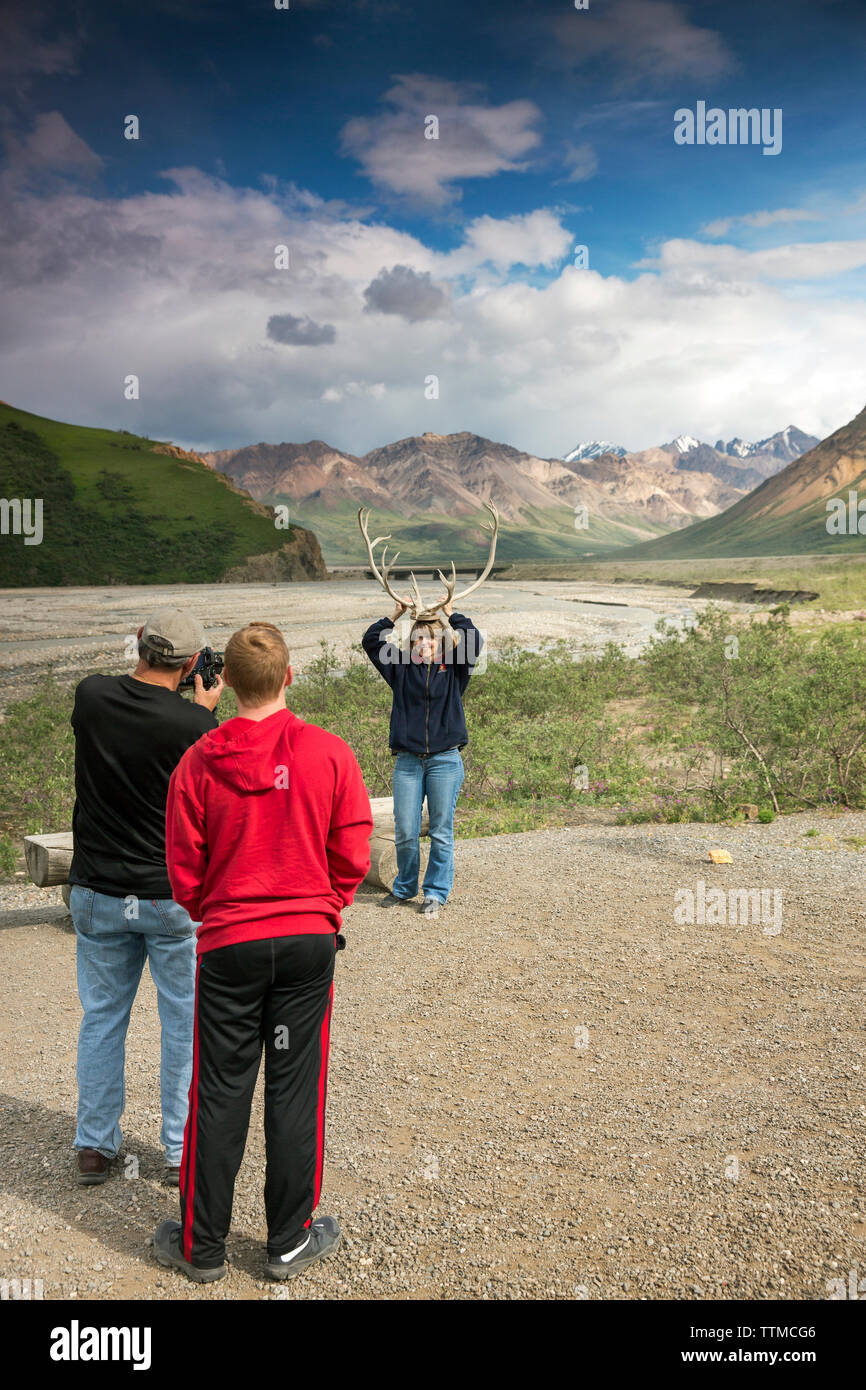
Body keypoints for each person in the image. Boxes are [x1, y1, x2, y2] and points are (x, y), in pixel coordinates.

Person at [153, 621, 372, 1284]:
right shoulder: (328, 753)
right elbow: (353, 849)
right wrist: (324, 904)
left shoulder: (197, 763)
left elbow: (183, 866)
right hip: (307, 941)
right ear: (287, 678)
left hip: (229, 944)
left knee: (219, 1090)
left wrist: (214, 913)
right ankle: (286, 1241)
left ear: (225, 684)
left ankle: (202, 1246)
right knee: (295, 1089)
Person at [68, 607, 222, 1187]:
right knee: (182, 1021)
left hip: (97, 891)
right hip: (167, 895)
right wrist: (199, 709)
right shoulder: (194, 726)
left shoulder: (90, 696)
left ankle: (94, 1146)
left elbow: (122, 700)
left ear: (137, 644)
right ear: (190, 665)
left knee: (103, 1017)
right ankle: (182, 1149)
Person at [361, 596, 483, 919]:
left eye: (428, 639)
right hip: (408, 763)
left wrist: (451, 613)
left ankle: (436, 893)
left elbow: (474, 638)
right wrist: (396, 614)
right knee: (405, 828)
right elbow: (370, 641)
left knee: (441, 830)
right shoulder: (399, 668)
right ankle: (404, 887)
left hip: (445, 760)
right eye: (416, 639)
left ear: (439, 641)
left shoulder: (455, 667)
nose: (422, 645)